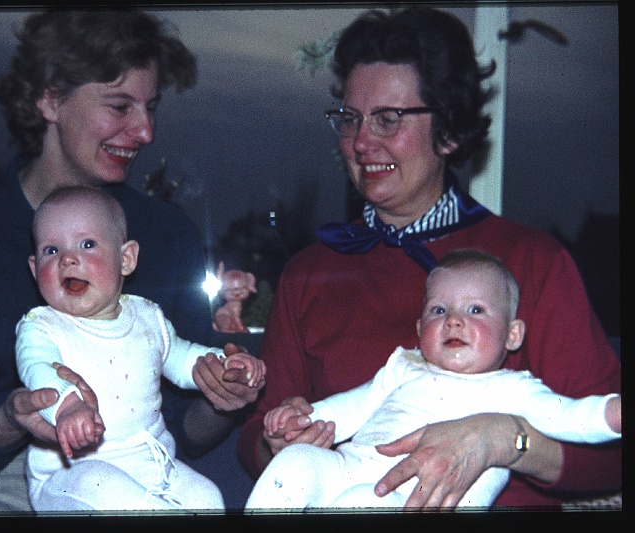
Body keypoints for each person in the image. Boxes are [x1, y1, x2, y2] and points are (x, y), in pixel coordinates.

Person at [237, 7, 621, 509]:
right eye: (350, 119)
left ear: (450, 132)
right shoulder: (310, 271)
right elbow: (258, 437)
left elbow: (613, 450)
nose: (360, 142)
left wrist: (504, 441)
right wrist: (278, 439)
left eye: (388, 119)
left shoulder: (533, 260)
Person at [0, 10, 255, 514]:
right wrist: (12, 415)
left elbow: (185, 431)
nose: (145, 132)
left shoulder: (167, 234)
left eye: (151, 107)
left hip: (135, 469)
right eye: (120, 106)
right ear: (50, 98)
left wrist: (224, 397)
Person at [245, 250, 621, 510]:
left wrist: (613, 413)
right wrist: (304, 422)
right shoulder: (403, 366)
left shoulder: (513, 389)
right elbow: (351, 406)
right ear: (421, 328)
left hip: (420, 502)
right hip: (350, 467)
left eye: (476, 310)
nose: (454, 320)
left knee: (360, 502)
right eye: (439, 310)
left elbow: (571, 416)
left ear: (513, 335)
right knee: (295, 463)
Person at [16, 186, 265, 511]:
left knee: (208, 499)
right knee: (108, 491)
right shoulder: (40, 327)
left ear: (127, 258)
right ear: (35, 271)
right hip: (70, 476)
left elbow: (184, 357)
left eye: (87, 244)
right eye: (51, 250)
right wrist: (66, 408)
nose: (67, 258)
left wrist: (226, 366)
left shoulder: (148, 317)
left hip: (150, 466)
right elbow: (39, 369)